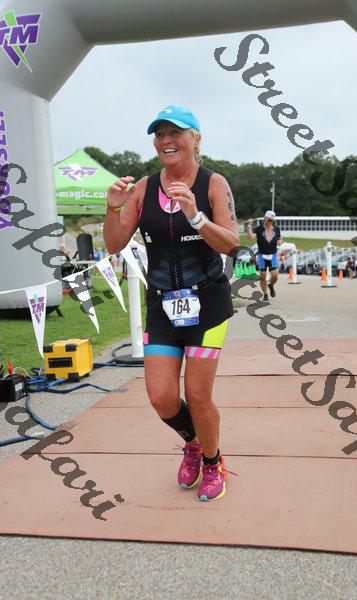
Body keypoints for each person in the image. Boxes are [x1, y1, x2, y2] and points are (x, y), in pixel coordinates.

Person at [103, 105, 239, 502]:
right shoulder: (144, 188)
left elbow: (231, 243)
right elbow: (113, 244)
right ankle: (194, 444)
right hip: (162, 305)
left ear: (195, 138)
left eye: (174, 132)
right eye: (159, 134)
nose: (165, 140)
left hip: (207, 304)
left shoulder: (214, 183)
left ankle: (213, 461)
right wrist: (113, 207)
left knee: (197, 394)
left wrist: (196, 217)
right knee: (161, 397)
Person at [246, 211, 282, 300]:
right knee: (263, 274)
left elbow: (280, 238)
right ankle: (265, 294)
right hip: (262, 255)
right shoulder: (259, 229)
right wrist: (249, 226)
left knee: (275, 275)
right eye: (269, 220)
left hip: (273, 254)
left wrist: (279, 242)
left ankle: (271, 285)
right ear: (265, 218)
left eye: (272, 220)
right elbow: (250, 237)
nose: (270, 222)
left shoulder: (276, 229)